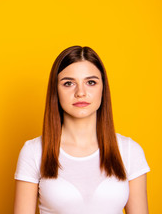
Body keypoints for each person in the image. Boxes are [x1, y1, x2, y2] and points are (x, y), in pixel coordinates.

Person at [14, 46, 149, 214]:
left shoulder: (130, 151)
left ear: (103, 88)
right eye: (68, 83)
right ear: (56, 90)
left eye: (90, 82)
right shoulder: (33, 151)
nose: (81, 92)